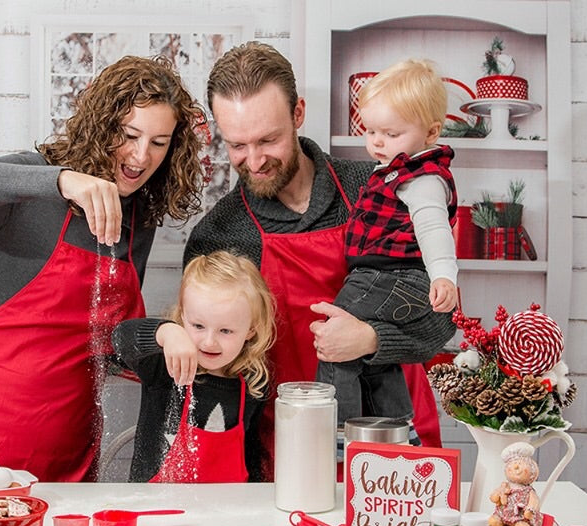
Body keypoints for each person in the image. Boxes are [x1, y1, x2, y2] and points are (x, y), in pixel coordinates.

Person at [0, 56, 205, 481]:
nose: (141, 156)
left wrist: (165, 334)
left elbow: (107, 340)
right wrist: (60, 180)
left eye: (159, 142)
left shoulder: (139, 218)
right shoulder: (34, 180)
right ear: (102, 125)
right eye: (128, 134)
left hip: (62, 453)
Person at [184, 42, 455, 479]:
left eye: (268, 139)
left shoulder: (380, 189)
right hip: (293, 451)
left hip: (399, 443)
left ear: (298, 114)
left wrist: (370, 340)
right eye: (237, 145)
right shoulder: (219, 236)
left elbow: (441, 322)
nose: (253, 161)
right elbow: (217, 372)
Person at [316, 58, 458, 426]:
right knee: (377, 363)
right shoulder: (390, 172)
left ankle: (335, 434)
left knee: (335, 342)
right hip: (388, 277)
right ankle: (396, 431)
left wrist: (444, 276)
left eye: (391, 134)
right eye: (371, 131)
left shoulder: (422, 179)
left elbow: (434, 228)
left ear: (430, 133)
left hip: (390, 276)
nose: (377, 142)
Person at [111, 250, 276, 482]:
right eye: (198, 326)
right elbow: (119, 339)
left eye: (225, 331)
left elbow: (251, 455)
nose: (209, 341)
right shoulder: (163, 367)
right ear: (183, 317)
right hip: (154, 508)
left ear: (251, 329)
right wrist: (166, 332)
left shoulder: (253, 384)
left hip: (225, 511)